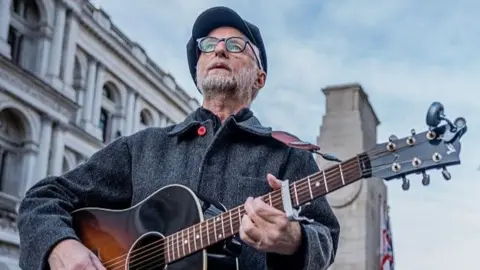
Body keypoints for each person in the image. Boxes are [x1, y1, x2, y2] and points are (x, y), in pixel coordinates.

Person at [17, 6, 340, 270]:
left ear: (260, 77)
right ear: (198, 69)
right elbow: (43, 197)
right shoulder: (142, 146)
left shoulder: (288, 153)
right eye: (208, 46)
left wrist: (296, 239)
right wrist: (60, 245)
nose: (220, 51)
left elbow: (325, 236)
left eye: (236, 45)